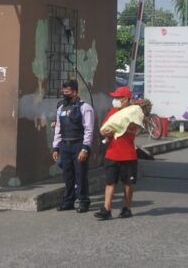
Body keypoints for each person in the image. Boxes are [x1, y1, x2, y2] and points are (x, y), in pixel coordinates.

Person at [95, 86, 138, 220]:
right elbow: (104, 127)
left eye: (117, 98)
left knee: (127, 183)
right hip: (112, 153)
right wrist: (104, 131)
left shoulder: (134, 112)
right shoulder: (112, 111)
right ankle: (106, 209)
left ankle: (127, 208)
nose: (115, 100)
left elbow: (133, 129)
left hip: (128, 154)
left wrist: (119, 129)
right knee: (110, 182)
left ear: (125, 99)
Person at [52, 79, 94, 213]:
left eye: (67, 91)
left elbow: (89, 129)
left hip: (78, 145)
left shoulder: (84, 107)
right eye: (64, 90)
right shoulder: (61, 108)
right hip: (65, 145)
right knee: (67, 175)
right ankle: (68, 201)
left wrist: (85, 148)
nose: (64, 93)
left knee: (80, 175)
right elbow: (58, 128)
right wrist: (56, 147)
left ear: (75, 92)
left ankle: (83, 201)